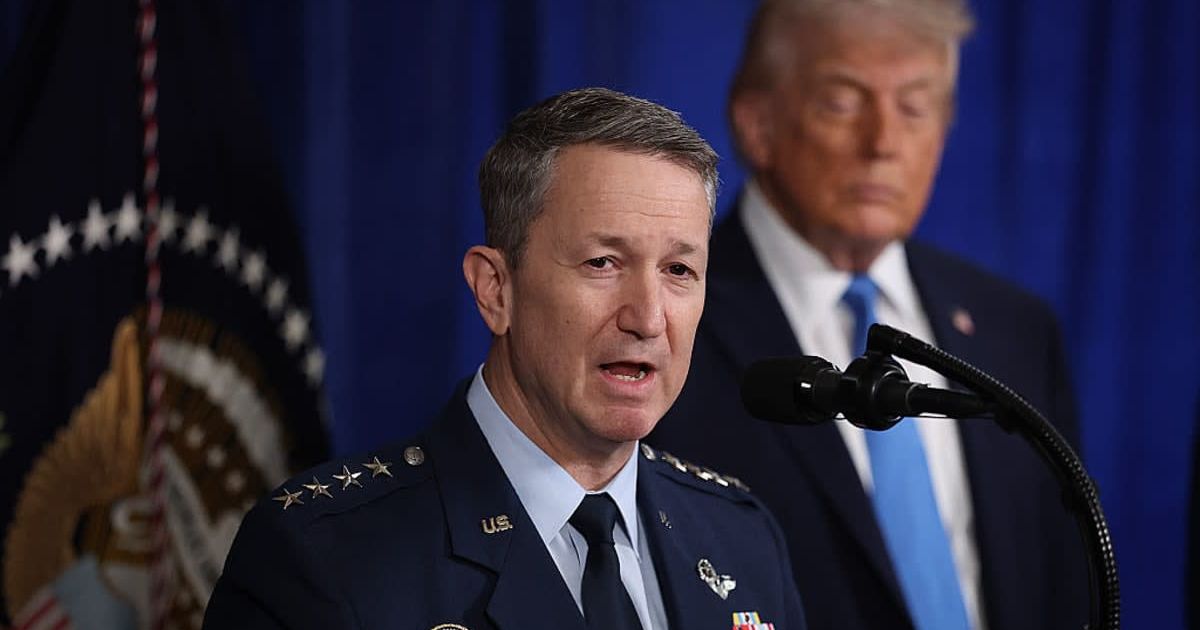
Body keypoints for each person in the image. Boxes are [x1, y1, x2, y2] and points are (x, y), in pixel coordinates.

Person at [203, 87, 807, 630]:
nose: (648, 318)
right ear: (496, 289)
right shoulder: (323, 558)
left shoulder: (741, 538)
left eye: (679, 271)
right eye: (603, 263)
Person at [648, 1, 1088, 629]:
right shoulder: (662, 320)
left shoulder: (1014, 330)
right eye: (843, 102)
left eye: (915, 107)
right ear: (757, 122)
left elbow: (1061, 586)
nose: (883, 142)